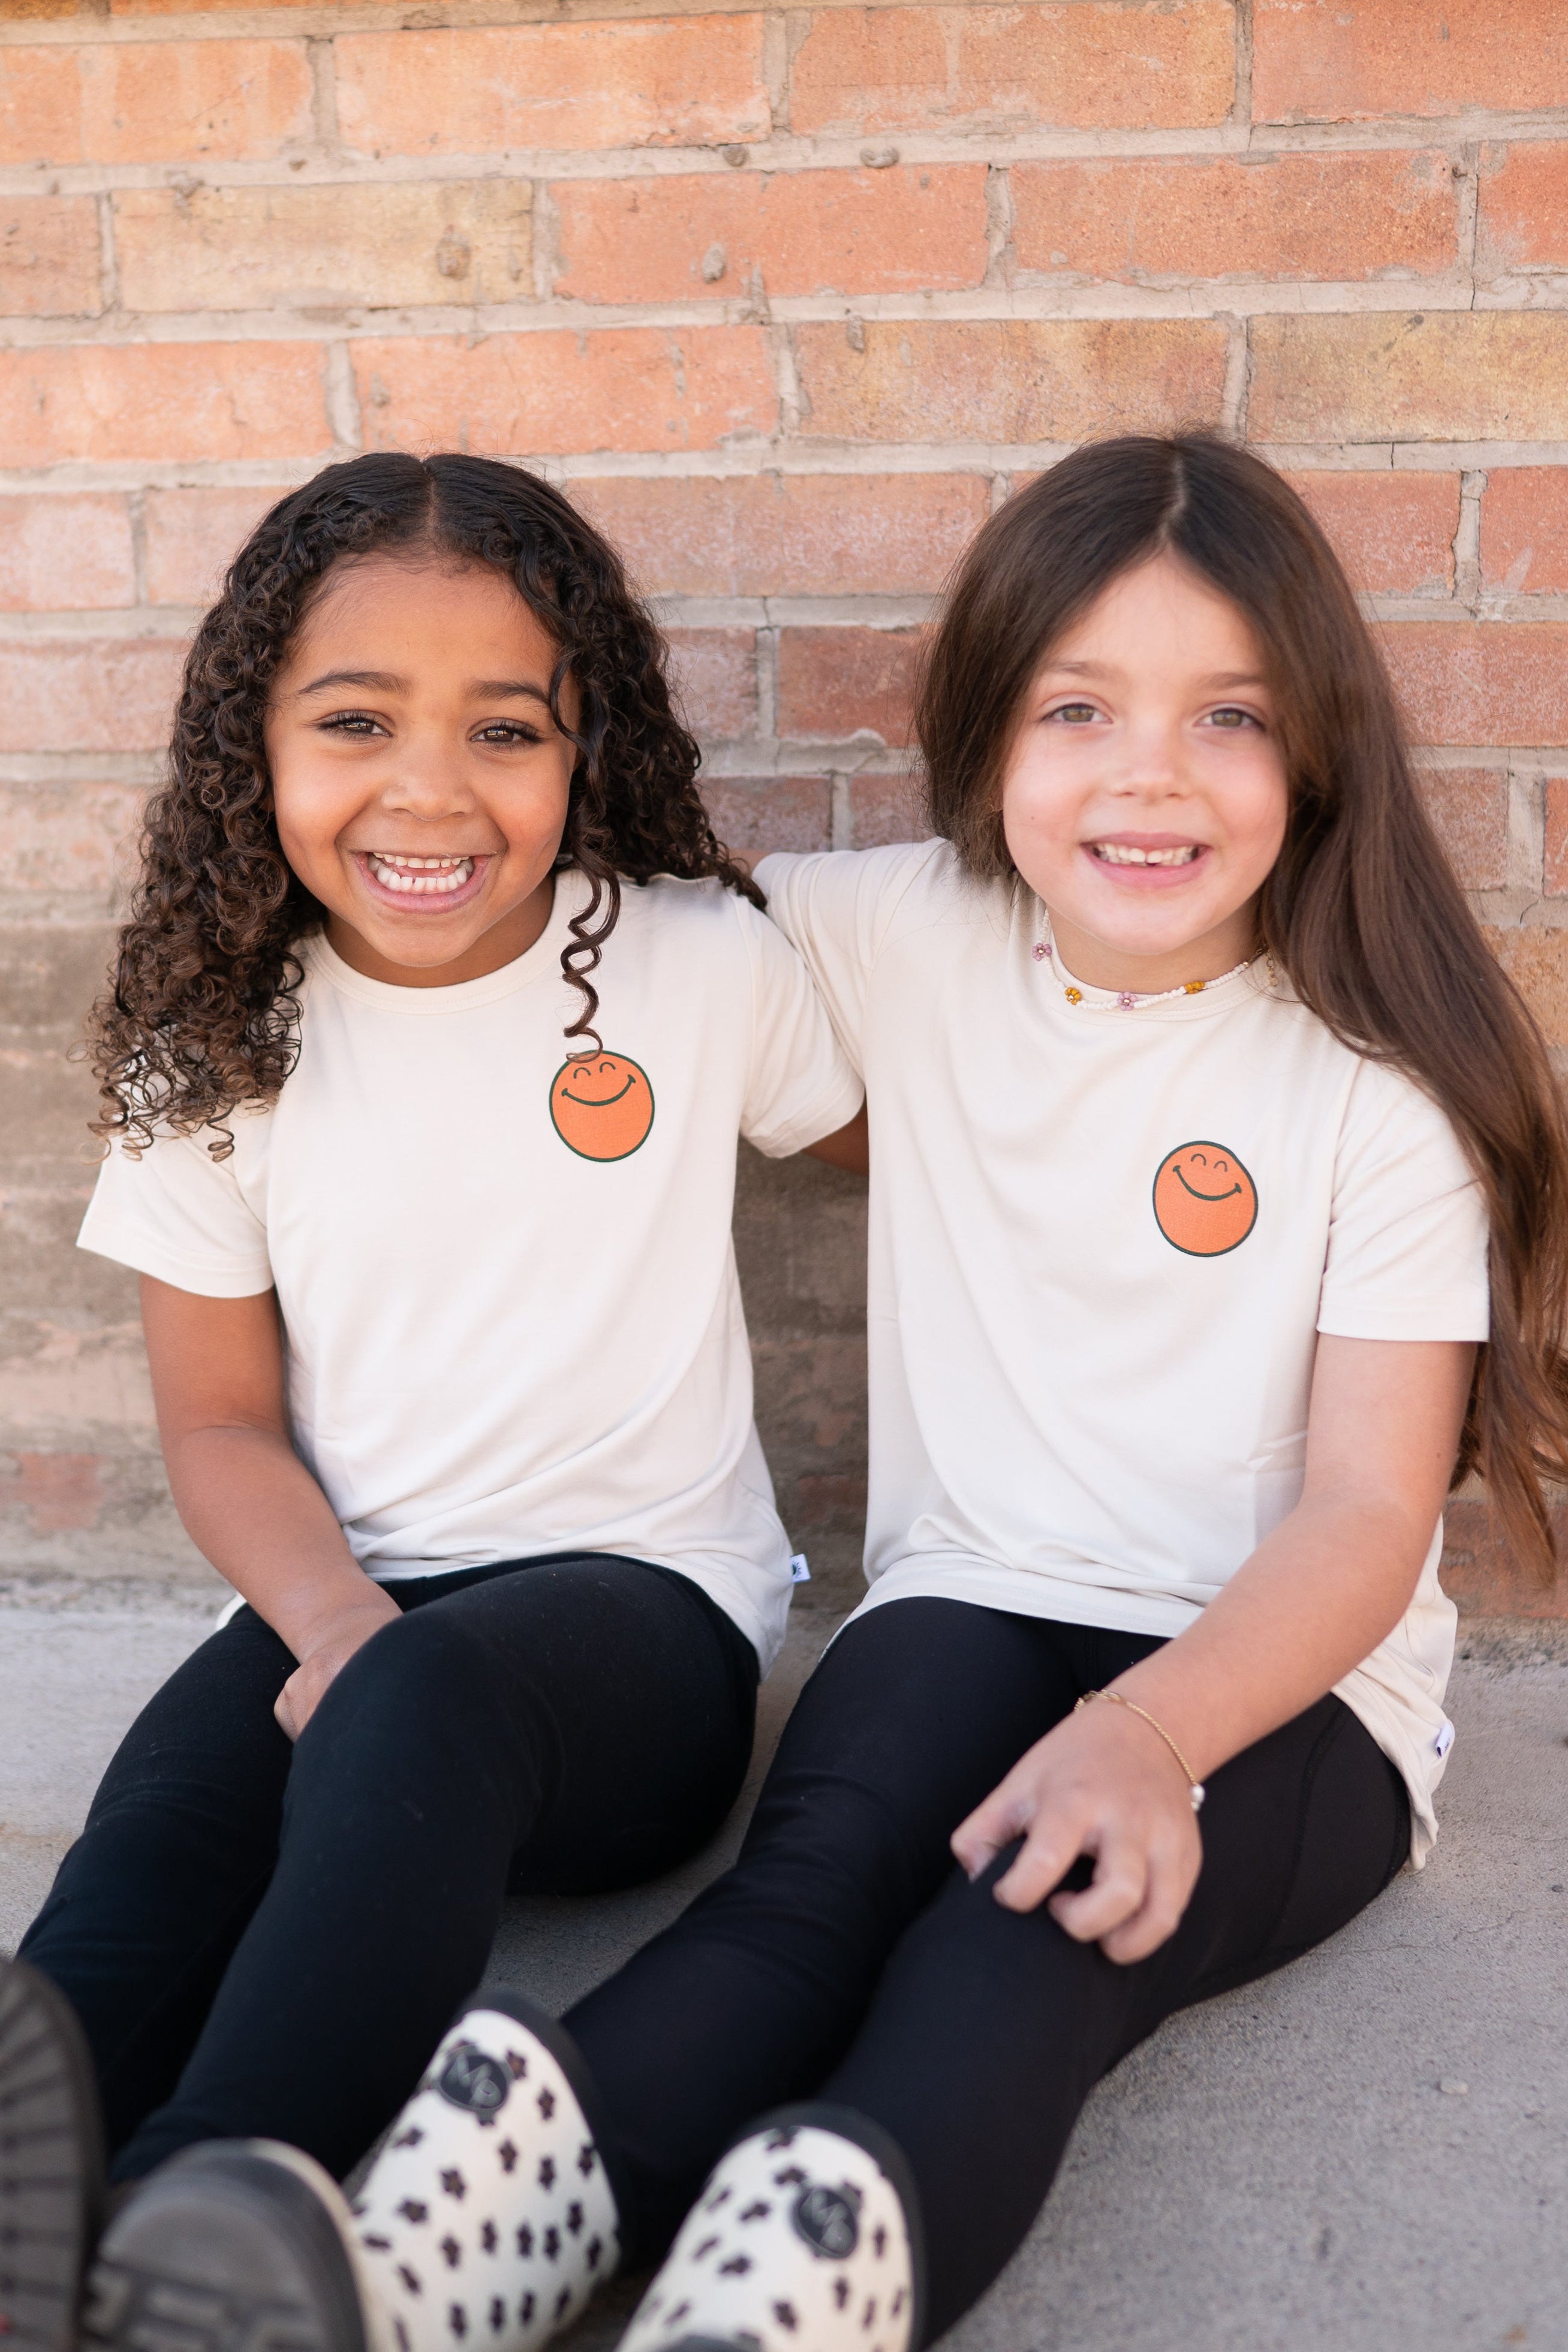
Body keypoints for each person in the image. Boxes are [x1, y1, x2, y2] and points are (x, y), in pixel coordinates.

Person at [45, 431, 1568, 2352]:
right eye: (1078, 707)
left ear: (1323, 750)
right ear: (987, 736)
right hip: (966, 1591)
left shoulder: (1377, 1086)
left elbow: (1366, 1515)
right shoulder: (886, 932)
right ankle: (392, 2261)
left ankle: (780, 2290)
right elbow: (590, 990)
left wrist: (1153, 1736)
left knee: (1033, 1931)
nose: (1149, 774)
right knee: (803, 1895)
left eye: (1230, 717)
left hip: (1286, 1685)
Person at [0, 452, 866, 2352]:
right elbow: (222, 1424)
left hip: (639, 1630)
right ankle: (37, 2172)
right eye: (356, 721)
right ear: (259, 745)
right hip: (350, 1595)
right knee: (166, 1812)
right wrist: (326, 1622)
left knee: (429, 1698)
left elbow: (927, 1147)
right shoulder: (215, 1041)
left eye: (503, 728)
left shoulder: (690, 964)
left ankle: (212, 2210)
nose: (428, 789)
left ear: (585, 745)